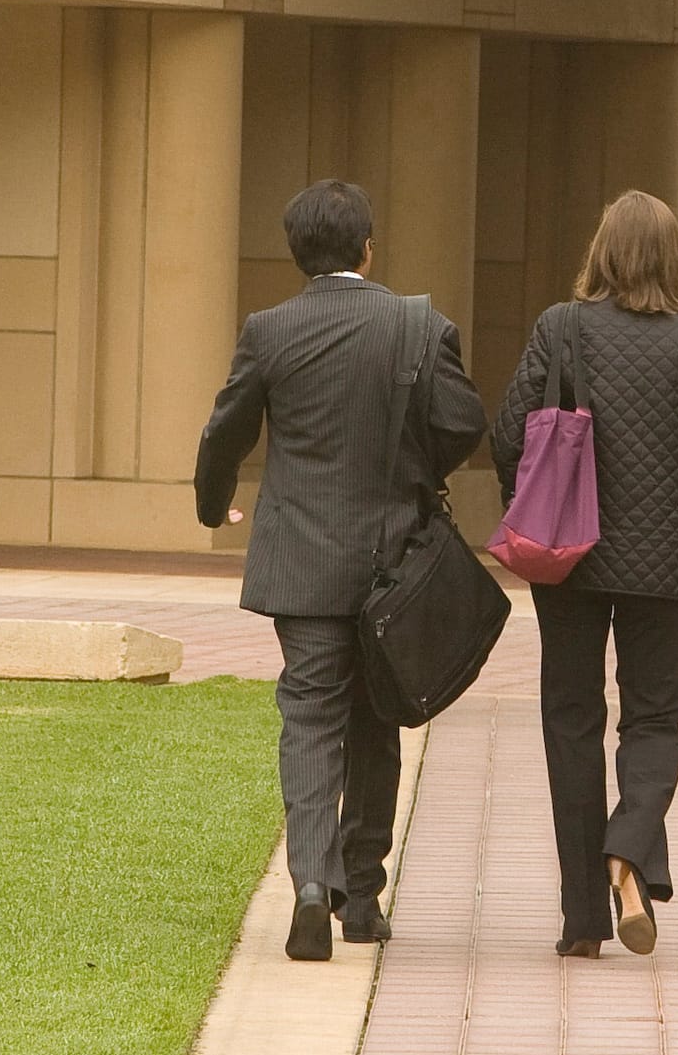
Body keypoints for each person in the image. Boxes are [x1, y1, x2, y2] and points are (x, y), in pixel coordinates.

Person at [195, 178, 485, 964]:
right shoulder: (417, 325)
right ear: (367, 247)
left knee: (310, 717)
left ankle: (311, 888)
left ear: (298, 254)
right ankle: (363, 898)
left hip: (301, 559)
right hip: (395, 556)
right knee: (378, 716)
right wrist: (411, 475)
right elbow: (465, 422)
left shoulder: (269, 329)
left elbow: (226, 431)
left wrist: (213, 503)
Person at [497, 190, 678, 959]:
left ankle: (583, 920)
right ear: (673, 258)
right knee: (654, 719)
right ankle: (629, 846)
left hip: (567, 558)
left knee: (571, 719)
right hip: (668, 563)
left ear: (602, 253)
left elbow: (508, 432)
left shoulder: (560, 328)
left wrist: (538, 496)